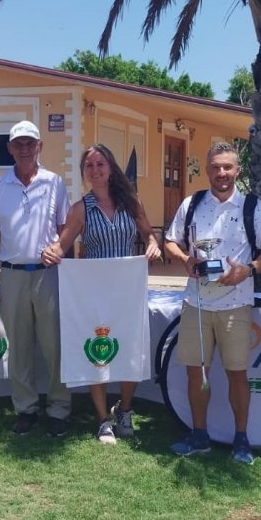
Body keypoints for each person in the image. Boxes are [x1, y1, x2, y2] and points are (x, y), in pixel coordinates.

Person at [163, 142, 261, 464]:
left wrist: (249, 270)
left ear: (237, 170)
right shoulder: (193, 202)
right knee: (195, 374)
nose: (221, 173)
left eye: (227, 167)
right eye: (215, 167)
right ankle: (199, 434)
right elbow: (171, 240)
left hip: (236, 304)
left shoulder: (252, 207)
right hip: (196, 303)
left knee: (237, 375)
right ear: (207, 169)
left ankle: (242, 439)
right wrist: (185, 260)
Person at [40, 144, 162, 443]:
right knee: (96, 347)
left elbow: (148, 233)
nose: (95, 170)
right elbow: (63, 241)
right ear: (85, 173)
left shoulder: (131, 201)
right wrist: (50, 252)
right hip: (92, 291)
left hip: (127, 290)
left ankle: (125, 410)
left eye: (100, 164)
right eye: (89, 166)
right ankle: (102, 418)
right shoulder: (81, 209)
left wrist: (153, 243)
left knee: (131, 347)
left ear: (111, 167)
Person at [0, 120, 72, 436]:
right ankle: (26, 409)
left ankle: (59, 409)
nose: (24, 148)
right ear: (9, 148)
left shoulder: (55, 183)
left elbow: (66, 230)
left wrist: (61, 250)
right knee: (18, 348)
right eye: (18, 143)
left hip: (49, 276)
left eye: (29, 143)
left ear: (39, 147)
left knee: (54, 346)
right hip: (12, 275)